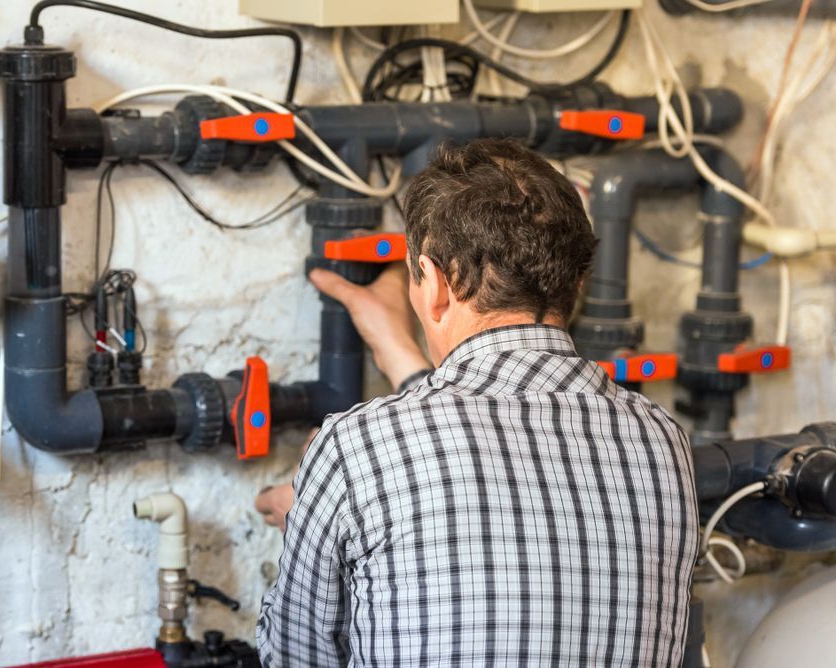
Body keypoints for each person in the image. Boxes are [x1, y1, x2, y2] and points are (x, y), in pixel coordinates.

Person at [255, 138, 699, 667]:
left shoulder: (357, 448)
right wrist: (397, 350)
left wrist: (311, 524)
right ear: (576, 283)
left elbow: (294, 658)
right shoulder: (662, 440)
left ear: (437, 283)